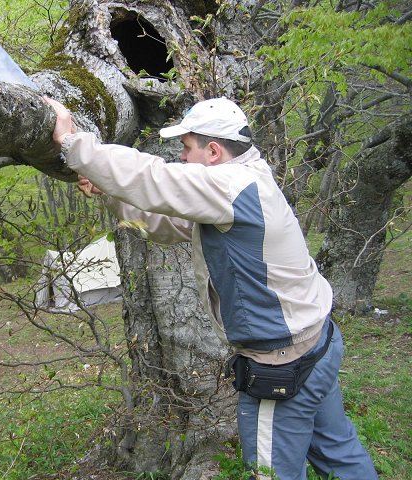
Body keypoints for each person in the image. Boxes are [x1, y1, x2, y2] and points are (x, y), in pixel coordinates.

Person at [44, 96, 378, 480]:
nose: (182, 158)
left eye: (187, 149)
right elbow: (167, 227)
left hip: (284, 365)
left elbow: (153, 178)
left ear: (214, 151)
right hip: (317, 343)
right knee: (339, 451)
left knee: (272, 475)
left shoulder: (232, 186)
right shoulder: (247, 180)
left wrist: (74, 143)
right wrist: (112, 193)